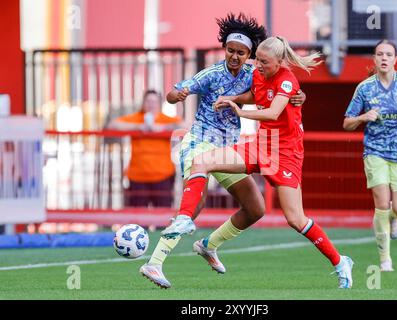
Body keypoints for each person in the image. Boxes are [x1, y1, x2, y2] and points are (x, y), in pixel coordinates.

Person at [160, 36, 354, 289]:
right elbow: (256, 94)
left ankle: (341, 262)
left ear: (280, 62)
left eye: (264, 62)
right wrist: (236, 99)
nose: (258, 66)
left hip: (285, 153)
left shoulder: (287, 79)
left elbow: (273, 111)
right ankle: (185, 218)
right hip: (262, 143)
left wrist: (239, 111)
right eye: (257, 60)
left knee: (296, 219)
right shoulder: (259, 73)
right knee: (201, 161)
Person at [139, 13, 306, 289]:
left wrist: (301, 96)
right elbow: (175, 92)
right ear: (224, 49)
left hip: (228, 147)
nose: (235, 56)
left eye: (241, 52)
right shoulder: (212, 74)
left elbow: (280, 91)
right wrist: (175, 95)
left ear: (250, 54)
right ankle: (154, 263)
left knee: (255, 207)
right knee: (196, 205)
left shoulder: (257, 74)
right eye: (231, 51)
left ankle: (209, 245)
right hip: (200, 142)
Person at [343, 40, 397, 271]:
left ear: (395, 59)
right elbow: (347, 122)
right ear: (374, 58)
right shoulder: (364, 88)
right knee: (380, 202)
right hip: (375, 152)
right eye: (380, 54)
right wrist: (362, 118)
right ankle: (385, 260)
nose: (384, 58)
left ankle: (395, 216)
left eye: (389, 54)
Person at [108, 90, 181, 207]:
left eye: (154, 101)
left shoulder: (165, 119)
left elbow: (185, 125)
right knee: (138, 218)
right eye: (148, 101)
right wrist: (138, 127)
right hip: (138, 177)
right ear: (143, 103)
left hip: (163, 176)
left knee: (162, 217)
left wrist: (162, 128)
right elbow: (112, 125)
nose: (151, 104)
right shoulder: (136, 118)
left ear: (159, 104)